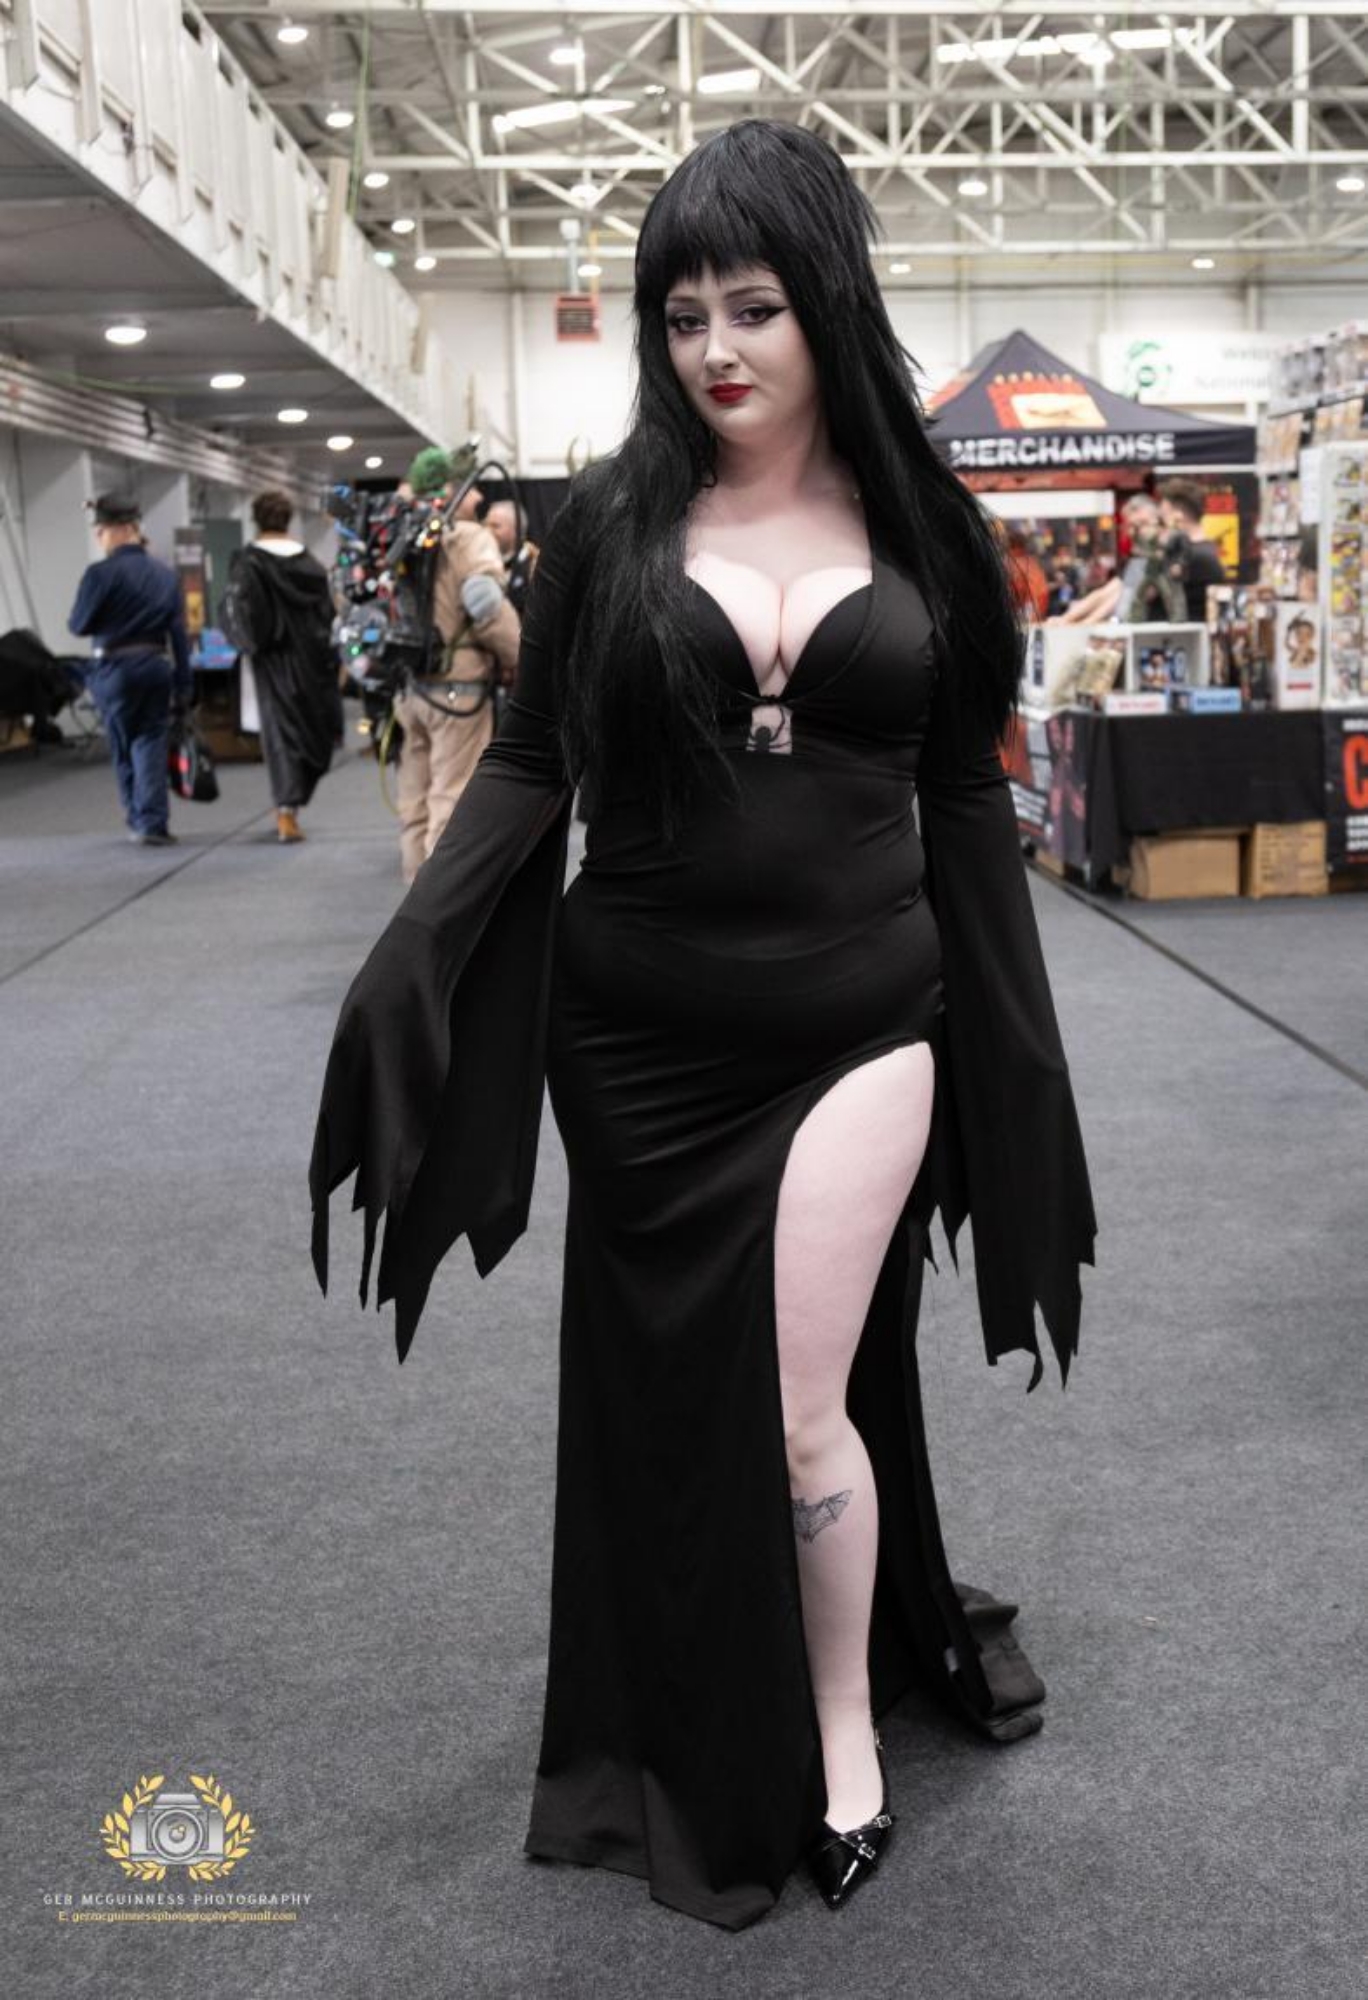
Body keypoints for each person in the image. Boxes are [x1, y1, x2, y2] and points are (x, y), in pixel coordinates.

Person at [310, 119, 1096, 1930]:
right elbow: (532, 764)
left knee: (801, 1399)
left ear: (825, 300)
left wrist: (1019, 1053)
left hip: (858, 1025)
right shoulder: (610, 529)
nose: (715, 348)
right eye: (680, 316)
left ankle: (839, 1728)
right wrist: (418, 946)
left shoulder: (927, 531)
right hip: (636, 1041)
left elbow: (963, 802)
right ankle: (680, 1687)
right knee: (668, 1387)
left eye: (752, 306)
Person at [391, 449, 521, 883]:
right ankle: (439, 904)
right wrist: (520, 656)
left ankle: (415, 889)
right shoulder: (467, 537)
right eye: (471, 487)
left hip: (410, 691)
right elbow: (484, 603)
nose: (479, 496)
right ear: (450, 490)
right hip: (456, 692)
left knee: (414, 802)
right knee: (451, 799)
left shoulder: (400, 535)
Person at [68, 492, 192, 845]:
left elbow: (78, 625)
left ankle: (137, 816)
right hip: (156, 666)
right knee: (151, 740)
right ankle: (153, 820)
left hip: (114, 670)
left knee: (123, 743)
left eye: (101, 530)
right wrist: (185, 684)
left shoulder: (99, 574)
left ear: (120, 530)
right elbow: (179, 635)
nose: (98, 537)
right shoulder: (165, 575)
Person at [225, 492, 339, 844]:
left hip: (271, 659)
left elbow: (241, 615)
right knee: (309, 731)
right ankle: (291, 804)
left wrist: (248, 645)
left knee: (280, 734)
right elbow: (328, 614)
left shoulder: (248, 563)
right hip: (312, 661)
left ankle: (286, 809)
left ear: (256, 520)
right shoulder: (312, 565)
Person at [1157, 476, 1227, 622]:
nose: (1160, 524)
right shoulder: (1204, 552)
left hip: (1181, 632)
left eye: (1164, 517)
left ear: (1178, 516)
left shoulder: (1195, 556)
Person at [483, 498, 540, 618]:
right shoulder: (480, 560)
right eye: (485, 525)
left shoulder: (533, 564)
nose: (487, 531)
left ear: (516, 529)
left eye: (495, 526)